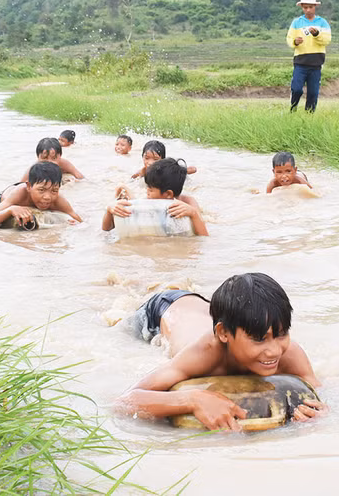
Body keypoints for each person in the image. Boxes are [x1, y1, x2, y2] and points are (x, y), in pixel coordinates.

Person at [115, 273, 327, 431]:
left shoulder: (290, 353)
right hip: (161, 310)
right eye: (258, 339)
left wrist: (319, 415)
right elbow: (125, 401)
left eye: (281, 334)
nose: (273, 351)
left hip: (201, 307)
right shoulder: (204, 355)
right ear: (223, 333)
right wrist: (193, 399)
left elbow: (321, 395)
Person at [103, 157, 208, 235]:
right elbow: (107, 230)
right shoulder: (146, 203)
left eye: (150, 189)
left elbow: (203, 237)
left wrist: (193, 213)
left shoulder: (188, 202)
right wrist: (109, 210)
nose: (146, 191)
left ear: (168, 194)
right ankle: (122, 187)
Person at [0, 161, 82, 227]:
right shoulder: (20, 193)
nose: (47, 197)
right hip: (6, 196)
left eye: (54, 191)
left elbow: (78, 220)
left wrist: (73, 225)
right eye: (42, 190)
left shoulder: (58, 199)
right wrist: (10, 209)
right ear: (29, 187)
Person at [286, 0, 331, 113]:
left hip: (316, 64)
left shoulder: (322, 23)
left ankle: (309, 116)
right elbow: (289, 39)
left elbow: (327, 40)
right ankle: (292, 108)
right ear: (302, 7)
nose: (308, 10)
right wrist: (295, 42)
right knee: (296, 89)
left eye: (310, 7)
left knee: (313, 93)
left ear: (315, 7)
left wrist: (317, 34)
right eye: (305, 7)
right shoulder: (296, 22)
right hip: (300, 63)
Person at [131, 140, 196, 179]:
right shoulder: (143, 171)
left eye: (155, 159)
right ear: (142, 157)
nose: (150, 162)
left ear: (162, 159)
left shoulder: (166, 169)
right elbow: (132, 179)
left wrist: (181, 170)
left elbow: (193, 169)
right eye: (147, 158)